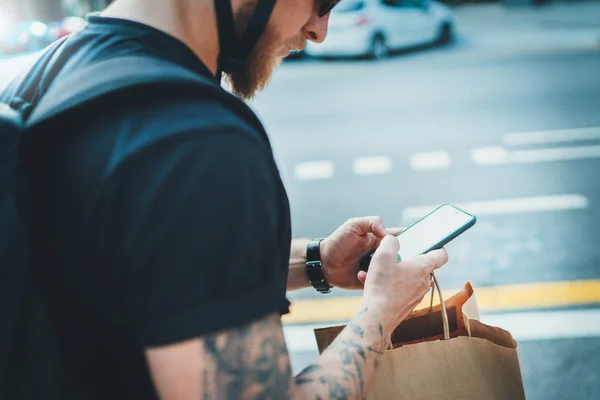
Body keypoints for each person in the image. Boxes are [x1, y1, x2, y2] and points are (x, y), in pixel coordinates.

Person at [0, 0, 449, 399]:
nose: (318, 30)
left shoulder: (48, 73)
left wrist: (317, 262)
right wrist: (379, 313)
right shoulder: (199, 142)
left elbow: (135, 269)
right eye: (322, 1)